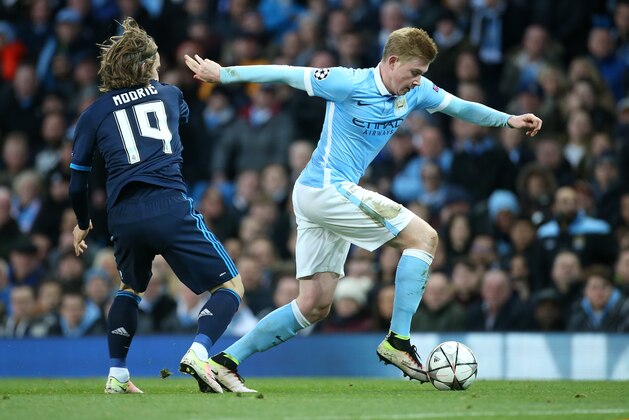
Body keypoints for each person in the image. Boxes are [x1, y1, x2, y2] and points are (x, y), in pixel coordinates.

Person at [185, 26, 542, 392]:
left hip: (319, 196)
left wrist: (508, 119)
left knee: (313, 305)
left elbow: (460, 107)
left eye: (422, 74)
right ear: (392, 61)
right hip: (325, 188)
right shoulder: (347, 82)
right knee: (424, 238)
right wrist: (224, 74)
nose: (417, 80)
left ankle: (225, 362)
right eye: (414, 71)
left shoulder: (416, 92)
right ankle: (398, 341)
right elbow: (285, 72)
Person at [69, 18, 244, 394]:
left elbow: (78, 179)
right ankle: (198, 353)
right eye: (157, 61)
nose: (161, 66)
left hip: (123, 215)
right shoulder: (170, 95)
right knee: (231, 286)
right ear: (147, 65)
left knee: (130, 287)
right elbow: (179, 126)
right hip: (168, 204)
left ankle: (117, 373)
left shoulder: (93, 113)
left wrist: (82, 222)